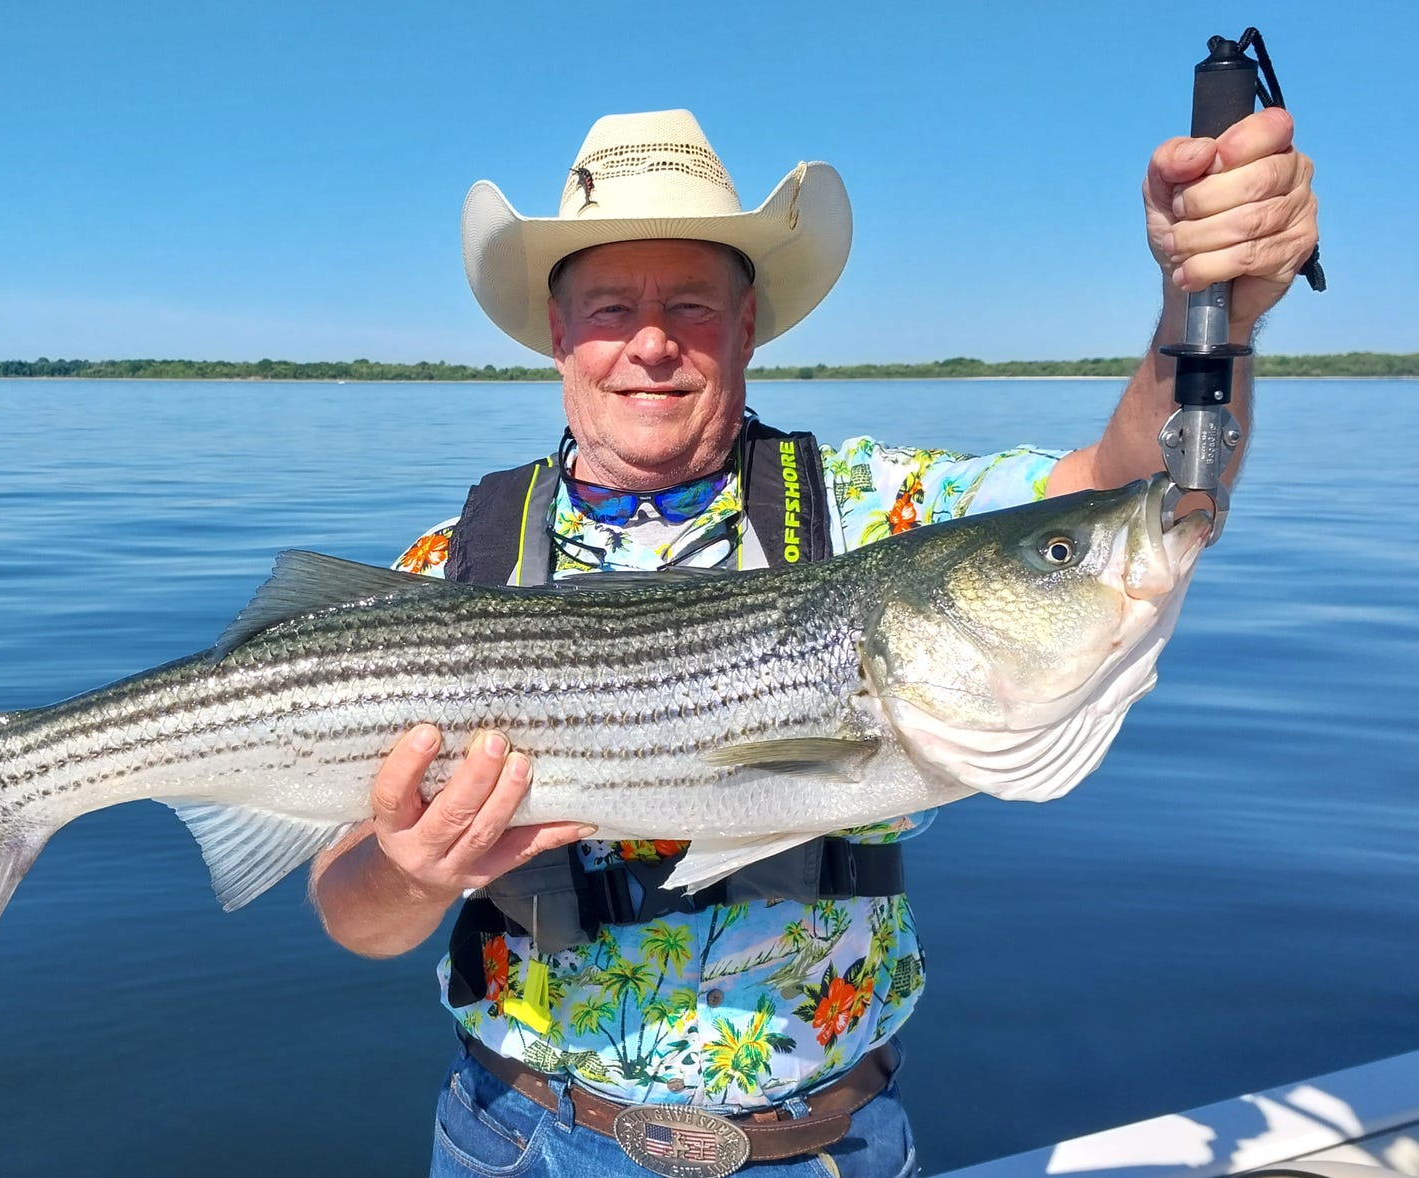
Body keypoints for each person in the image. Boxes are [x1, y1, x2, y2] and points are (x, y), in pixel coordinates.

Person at [310, 109, 1318, 1176]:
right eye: (611, 308)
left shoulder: (874, 509)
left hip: (822, 1143)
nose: (651, 343)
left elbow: (1127, 489)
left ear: (746, 325)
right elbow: (350, 911)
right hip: (517, 1135)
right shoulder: (446, 563)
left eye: (690, 306)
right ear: (559, 334)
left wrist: (1204, 312)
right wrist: (411, 875)